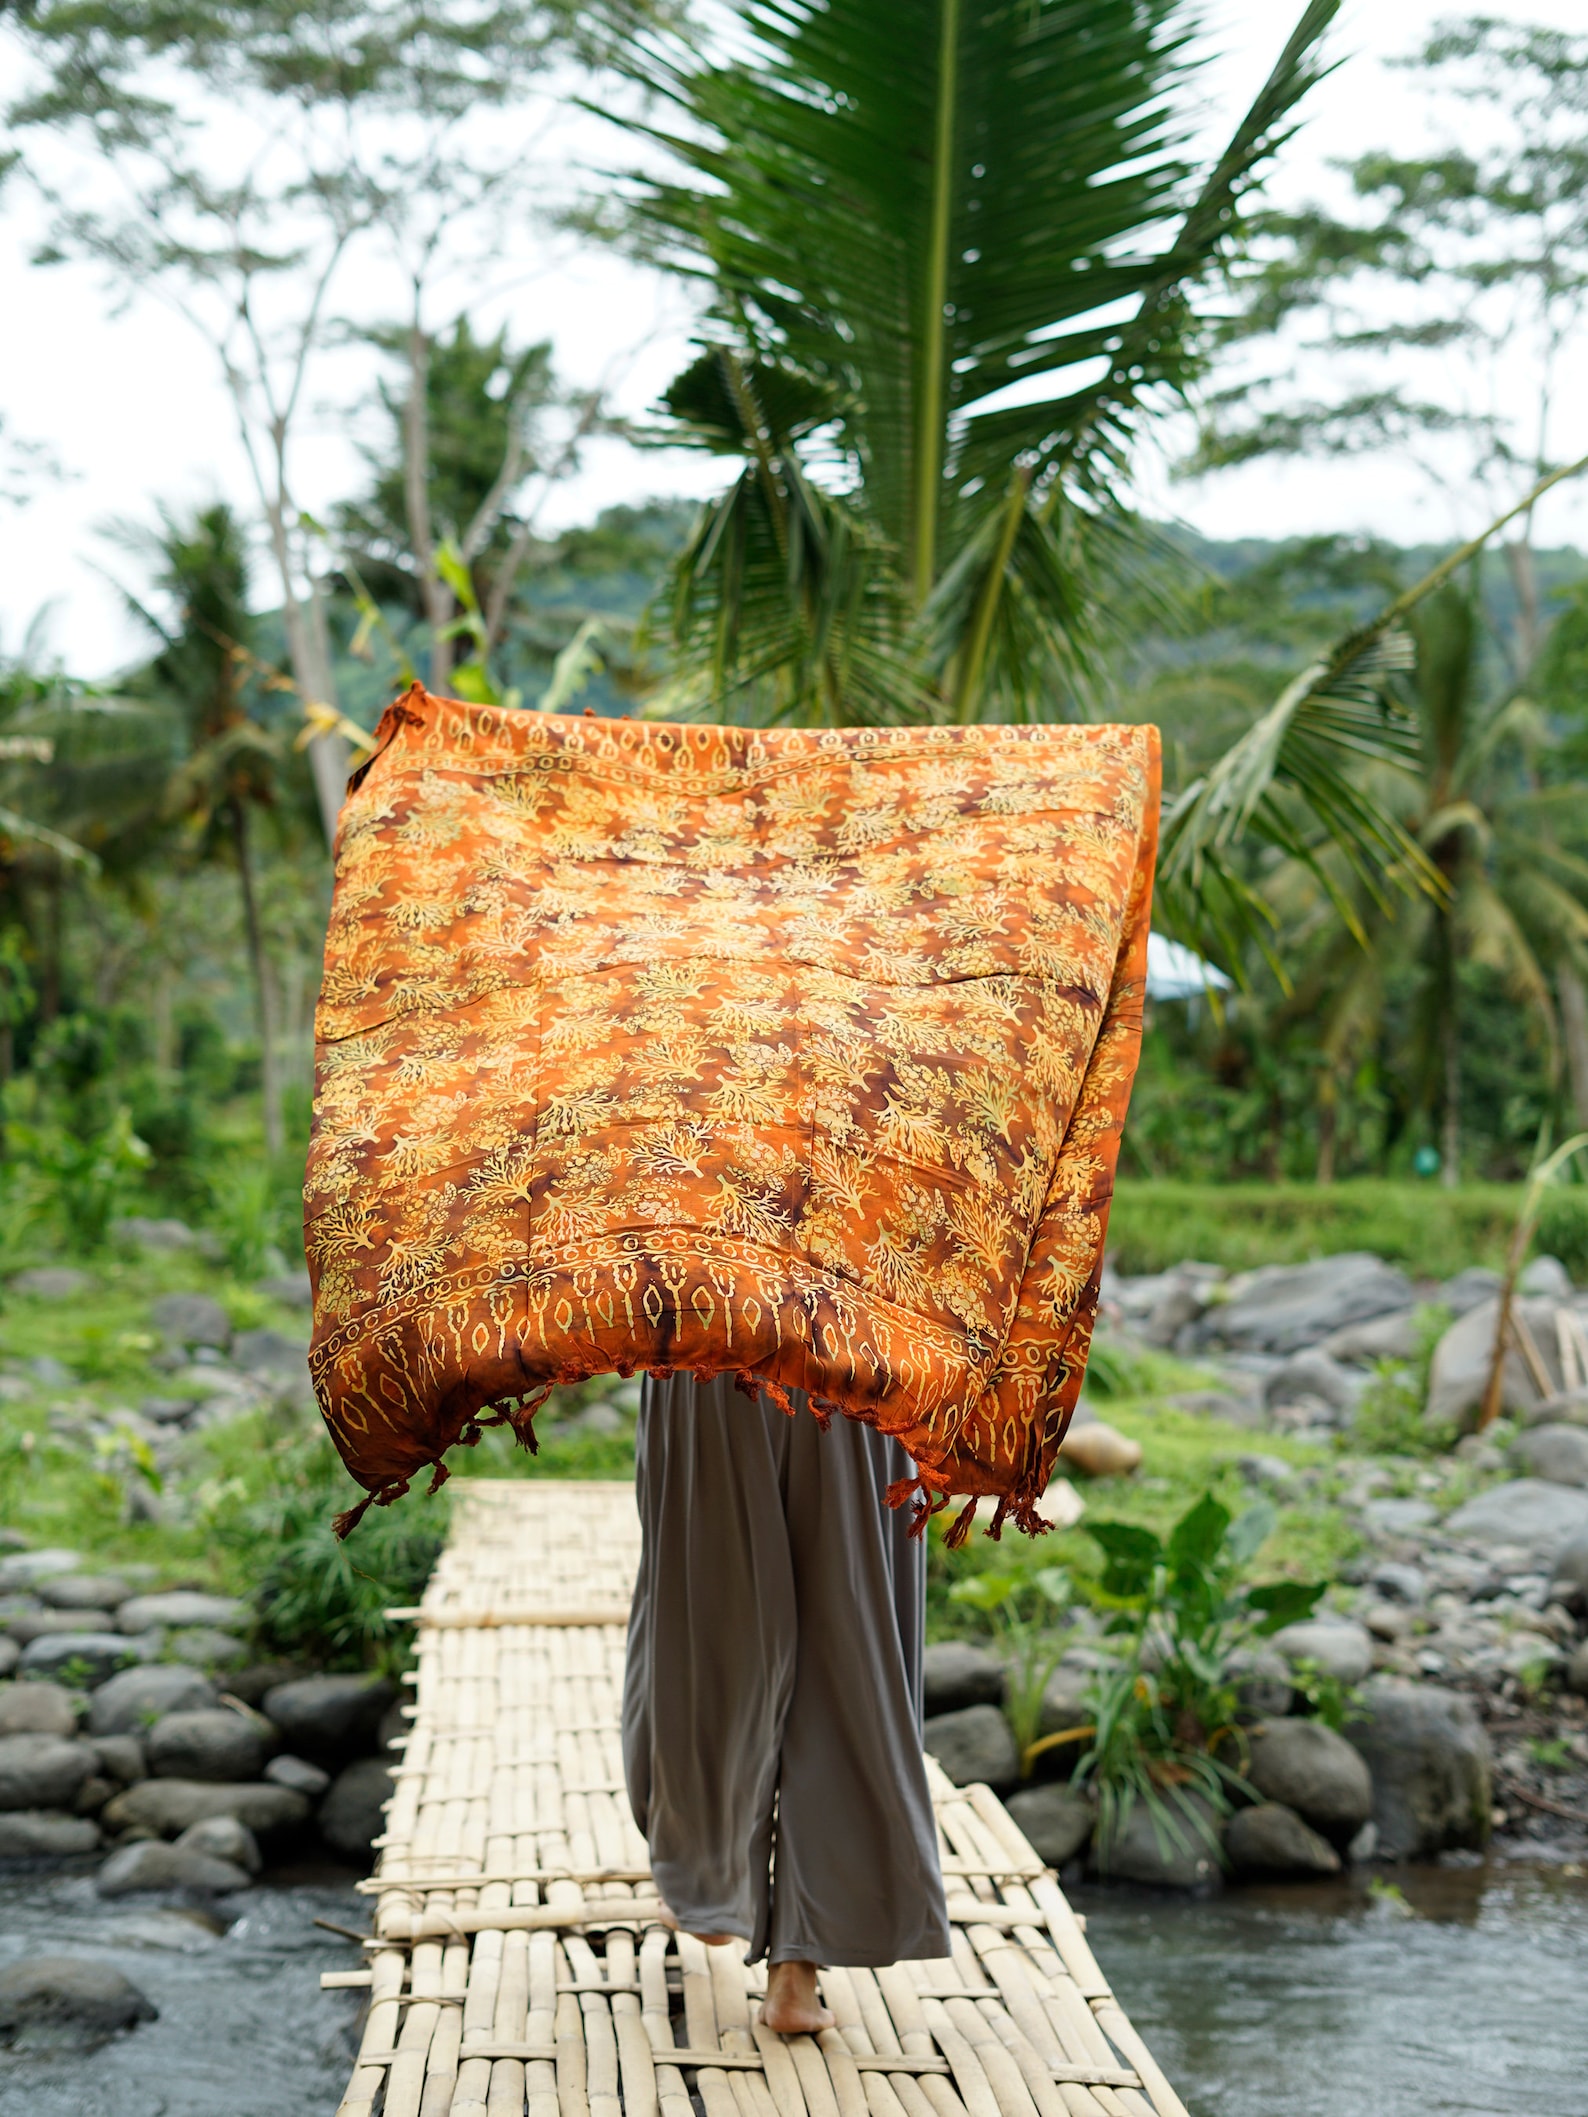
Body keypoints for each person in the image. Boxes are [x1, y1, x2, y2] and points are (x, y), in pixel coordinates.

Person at [621, 1370, 951, 2034]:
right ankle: (796, 1973)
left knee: (705, 1620)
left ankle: (708, 1880)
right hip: (858, 1354)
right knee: (850, 1643)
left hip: (714, 1350)